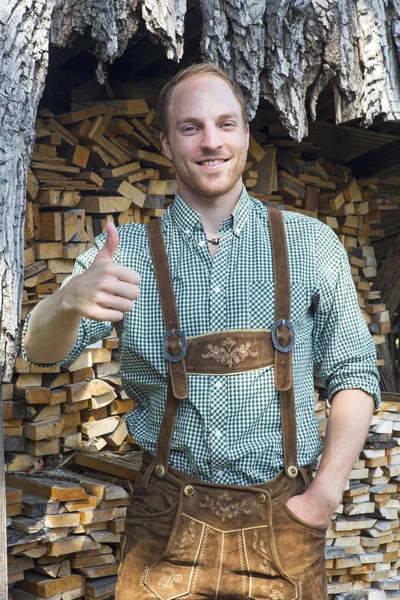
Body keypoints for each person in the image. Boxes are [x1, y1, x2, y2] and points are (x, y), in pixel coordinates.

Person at [23, 63, 381, 599]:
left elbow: (353, 373)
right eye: (191, 127)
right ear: (166, 143)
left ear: (244, 134)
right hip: (165, 526)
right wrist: (67, 301)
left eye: (225, 124)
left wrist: (324, 495)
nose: (211, 141)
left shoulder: (311, 244)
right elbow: (41, 349)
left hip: (285, 522)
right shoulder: (128, 253)